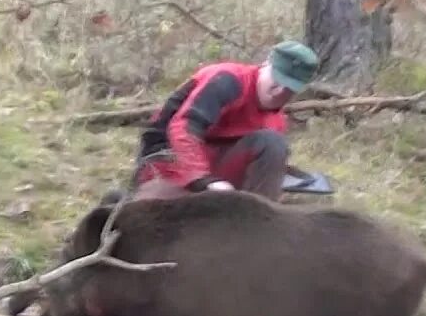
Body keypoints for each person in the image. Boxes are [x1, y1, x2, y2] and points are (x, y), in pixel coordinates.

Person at [129, 40, 321, 202]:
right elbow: (184, 129)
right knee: (162, 215)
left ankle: (255, 223)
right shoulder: (227, 81)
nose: (280, 92)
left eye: (289, 89)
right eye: (276, 82)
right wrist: (206, 181)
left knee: (273, 145)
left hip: (216, 170)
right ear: (266, 65)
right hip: (168, 160)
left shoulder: (275, 122)